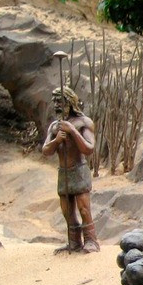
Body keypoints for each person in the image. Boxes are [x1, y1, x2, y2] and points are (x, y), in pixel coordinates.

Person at [41, 86, 98, 253]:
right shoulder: (55, 126)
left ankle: (91, 241)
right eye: (55, 102)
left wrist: (72, 131)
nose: (57, 105)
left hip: (79, 170)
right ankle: (74, 242)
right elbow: (46, 151)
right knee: (67, 211)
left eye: (60, 101)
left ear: (70, 102)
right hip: (63, 172)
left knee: (84, 208)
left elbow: (88, 149)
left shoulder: (84, 123)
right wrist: (57, 140)